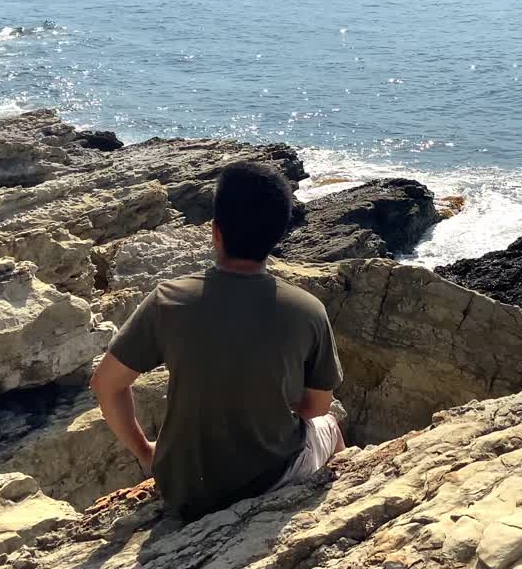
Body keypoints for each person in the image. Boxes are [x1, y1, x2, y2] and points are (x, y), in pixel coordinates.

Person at [90, 161, 345, 521]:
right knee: (331, 426)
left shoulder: (169, 300)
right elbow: (317, 407)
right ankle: (335, 511)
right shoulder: (308, 310)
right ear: (278, 236)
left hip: (181, 489)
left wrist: (147, 453)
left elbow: (105, 384)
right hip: (267, 480)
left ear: (216, 233)